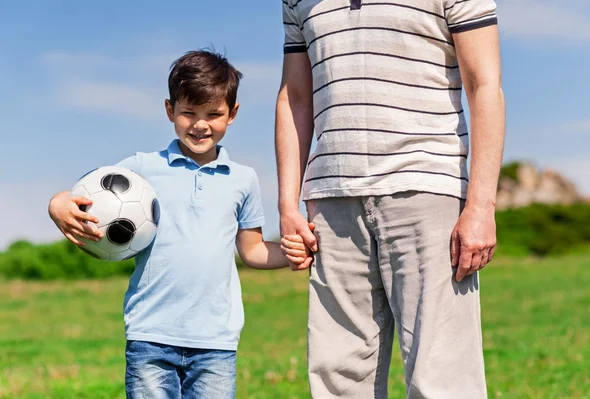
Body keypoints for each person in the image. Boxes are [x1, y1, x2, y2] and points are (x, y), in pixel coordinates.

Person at [48, 49, 311, 399]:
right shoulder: (141, 168)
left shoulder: (243, 179)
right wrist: (57, 204)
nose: (200, 124)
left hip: (215, 341)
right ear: (170, 109)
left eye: (213, 114)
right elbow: (84, 190)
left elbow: (253, 251)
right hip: (150, 335)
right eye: (188, 112)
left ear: (232, 114)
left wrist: (293, 253)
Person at [276, 0, 505, 398]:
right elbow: (295, 96)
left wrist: (481, 205)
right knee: (338, 378)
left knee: (441, 377)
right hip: (332, 201)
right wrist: (286, 204)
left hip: (428, 190)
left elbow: (484, 84)